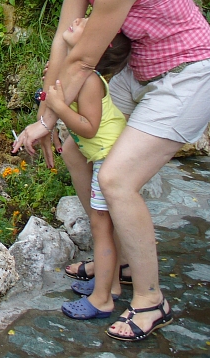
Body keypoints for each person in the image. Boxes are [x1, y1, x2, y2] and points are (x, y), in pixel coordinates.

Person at [12, 0, 210, 341]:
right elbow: (61, 45)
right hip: (142, 70)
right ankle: (116, 257)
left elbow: (83, 58)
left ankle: (151, 299)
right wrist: (48, 113)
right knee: (75, 148)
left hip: (189, 74)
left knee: (117, 179)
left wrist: (47, 118)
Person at [43, 18, 131, 320]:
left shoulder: (90, 81)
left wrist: (59, 107)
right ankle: (111, 284)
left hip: (110, 158)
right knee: (104, 225)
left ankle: (102, 299)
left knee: (101, 227)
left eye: (88, 25)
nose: (79, 19)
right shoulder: (79, 76)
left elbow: (89, 128)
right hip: (104, 155)